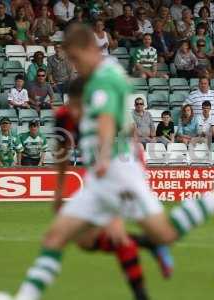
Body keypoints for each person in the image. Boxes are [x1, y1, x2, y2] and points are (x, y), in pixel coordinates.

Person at [13, 23, 214, 300]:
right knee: (59, 238)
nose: (74, 66)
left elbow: (108, 119)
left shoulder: (104, 79)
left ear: (86, 49)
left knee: (165, 233)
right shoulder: (104, 76)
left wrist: (104, 157)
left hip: (116, 170)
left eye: (74, 58)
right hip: (103, 172)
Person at [53, 77, 174, 300]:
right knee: (85, 241)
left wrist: (131, 164)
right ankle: (150, 244)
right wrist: (58, 191)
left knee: (116, 234)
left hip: (118, 171)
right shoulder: (65, 117)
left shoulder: (103, 115)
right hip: (102, 172)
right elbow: (62, 152)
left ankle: (142, 292)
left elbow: (127, 135)